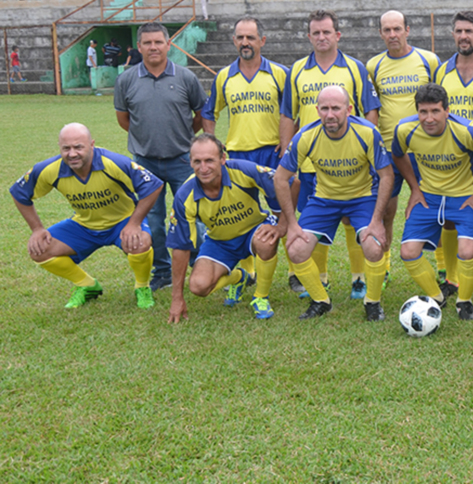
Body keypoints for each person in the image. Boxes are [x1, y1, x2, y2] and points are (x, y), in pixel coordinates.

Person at [282, 10, 380, 300]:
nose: (322, 37)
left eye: (327, 32)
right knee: (315, 219)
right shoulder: (297, 69)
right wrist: (288, 152)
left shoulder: (355, 68)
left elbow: (370, 111)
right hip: (312, 160)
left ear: (338, 35)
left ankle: (358, 279)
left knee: (353, 220)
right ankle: (319, 277)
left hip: (352, 159)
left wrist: (365, 151)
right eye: (316, 33)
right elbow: (288, 113)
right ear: (309, 36)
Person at [10, 123, 162, 309]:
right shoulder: (50, 169)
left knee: (140, 242)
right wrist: (37, 229)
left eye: (78, 147)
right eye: (66, 148)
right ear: (59, 148)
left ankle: (142, 287)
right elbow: (19, 193)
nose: (72, 154)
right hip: (84, 226)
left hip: (122, 222)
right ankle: (87, 285)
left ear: (91, 145)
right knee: (39, 250)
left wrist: (134, 223)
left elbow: (153, 185)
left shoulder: (114, 162)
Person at [275, 86, 392, 321]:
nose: (330, 114)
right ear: (317, 110)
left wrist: (377, 220)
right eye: (325, 108)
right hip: (324, 200)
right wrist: (292, 224)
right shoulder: (306, 136)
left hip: (362, 197)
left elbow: (387, 175)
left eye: (336, 108)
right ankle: (321, 300)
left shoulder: (367, 132)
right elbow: (280, 177)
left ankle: (373, 302)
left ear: (348, 110)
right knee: (296, 249)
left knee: (373, 245)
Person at [114, 23, 206, 291]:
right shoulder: (126, 80)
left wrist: (182, 137)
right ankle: (163, 271)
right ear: (139, 47)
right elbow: (124, 119)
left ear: (168, 45)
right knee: (153, 221)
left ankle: (200, 264)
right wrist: (146, 137)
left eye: (158, 42)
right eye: (147, 43)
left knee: (193, 217)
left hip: (181, 160)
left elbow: (200, 115)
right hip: (144, 163)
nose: (153, 47)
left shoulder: (186, 77)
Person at [392, 83, 473, 320]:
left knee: (467, 251)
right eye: (423, 112)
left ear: (447, 110)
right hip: (429, 198)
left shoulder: (467, 131)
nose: (429, 118)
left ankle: (464, 303)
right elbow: (397, 154)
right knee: (408, 252)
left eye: (435, 111)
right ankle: (436, 298)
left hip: (464, 197)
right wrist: (414, 188)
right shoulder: (405, 130)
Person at [166, 135, 282, 321]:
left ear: (222, 158)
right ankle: (240, 278)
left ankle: (261, 296)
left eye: (209, 160)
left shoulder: (243, 170)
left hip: (254, 230)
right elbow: (180, 246)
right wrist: (176, 298)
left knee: (266, 242)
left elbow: (288, 183)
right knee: (198, 286)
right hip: (220, 242)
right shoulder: (184, 195)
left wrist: (281, 223)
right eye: (197, 161)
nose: (203, 168)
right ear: (190, 162)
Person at [366, 10, 440, 254]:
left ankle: (443, 270)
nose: (392, 34)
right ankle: (383, 264)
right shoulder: (374, 65)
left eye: (397, 29)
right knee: (385, 208)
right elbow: (373, 108)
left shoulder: (428, 60)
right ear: (380, 34)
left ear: (407, 30)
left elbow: (439, 102)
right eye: (387, 30)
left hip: (426, 149)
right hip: (389, 149)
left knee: (437, 206)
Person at [201, 17, 289, 170]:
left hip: (273, 151)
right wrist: (213, 142)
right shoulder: (224, 76)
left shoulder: (280, 74)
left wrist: (288, 139)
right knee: (241, 195)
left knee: (279, 194)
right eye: (240, 37)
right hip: (238, 153)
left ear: (262, 41)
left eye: (250, 37)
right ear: (234, 40)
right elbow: (209, 113)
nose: (245, 43)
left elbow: (295, 111)